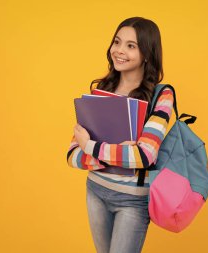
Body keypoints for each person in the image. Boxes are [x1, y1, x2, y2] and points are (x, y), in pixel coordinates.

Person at [67, 16, 174, 253]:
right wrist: (123, 152)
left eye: (131, 45)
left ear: (147, 53)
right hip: (95, 192)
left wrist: (92, 147)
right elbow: (72, 156)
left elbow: (144, 157)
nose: (119, 51)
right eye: (117, 42)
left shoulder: (161, 96)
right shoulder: (101, 91)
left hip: (132, 201)